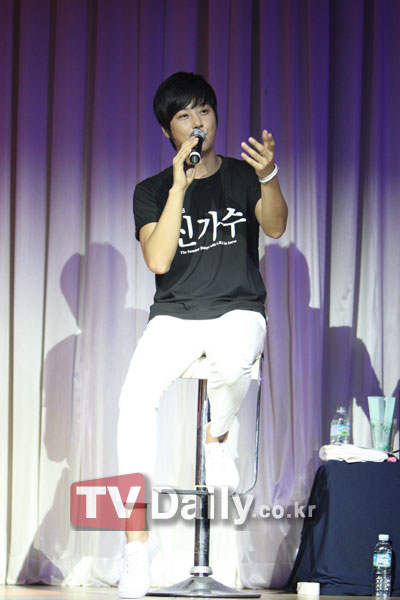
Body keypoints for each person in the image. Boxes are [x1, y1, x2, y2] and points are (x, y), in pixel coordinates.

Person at [117, 72, 288, 598]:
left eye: (204, 111)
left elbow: (276, 226)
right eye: (184, 116)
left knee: (236, 359)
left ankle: (218, 435)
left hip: (238, 307)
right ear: (168, 131)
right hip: (176, 315)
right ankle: (137, 550)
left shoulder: (242, 176)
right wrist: (179, 188)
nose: (197, 123)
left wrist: (269, 175)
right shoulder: (151, 191)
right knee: (133, 402)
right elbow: (158, 259)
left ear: (216, 116)